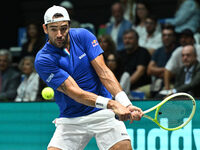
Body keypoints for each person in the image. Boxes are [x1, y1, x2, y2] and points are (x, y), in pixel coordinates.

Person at [34, 5, 143, 150]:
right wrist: (113, 104)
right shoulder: (43, 59)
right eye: (53, 29)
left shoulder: (83, 36)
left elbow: (103, 72)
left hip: (103, 113)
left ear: (69, 26)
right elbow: (75, 92)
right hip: (71, 118)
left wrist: (125, 103)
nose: (59, 34)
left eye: (64, 28)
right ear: (45, 28)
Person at [146, 24, 177, 98]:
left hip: (173, 84)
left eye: (169, 35)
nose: (166, 38)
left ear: (174, 37)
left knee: (160, 96)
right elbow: (149, 70)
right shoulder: (158, 51)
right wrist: (165, 70)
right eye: (164, 35)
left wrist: (157, 71)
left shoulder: (178, 51)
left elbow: (175, 73)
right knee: (137, 92)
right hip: (157, 82)